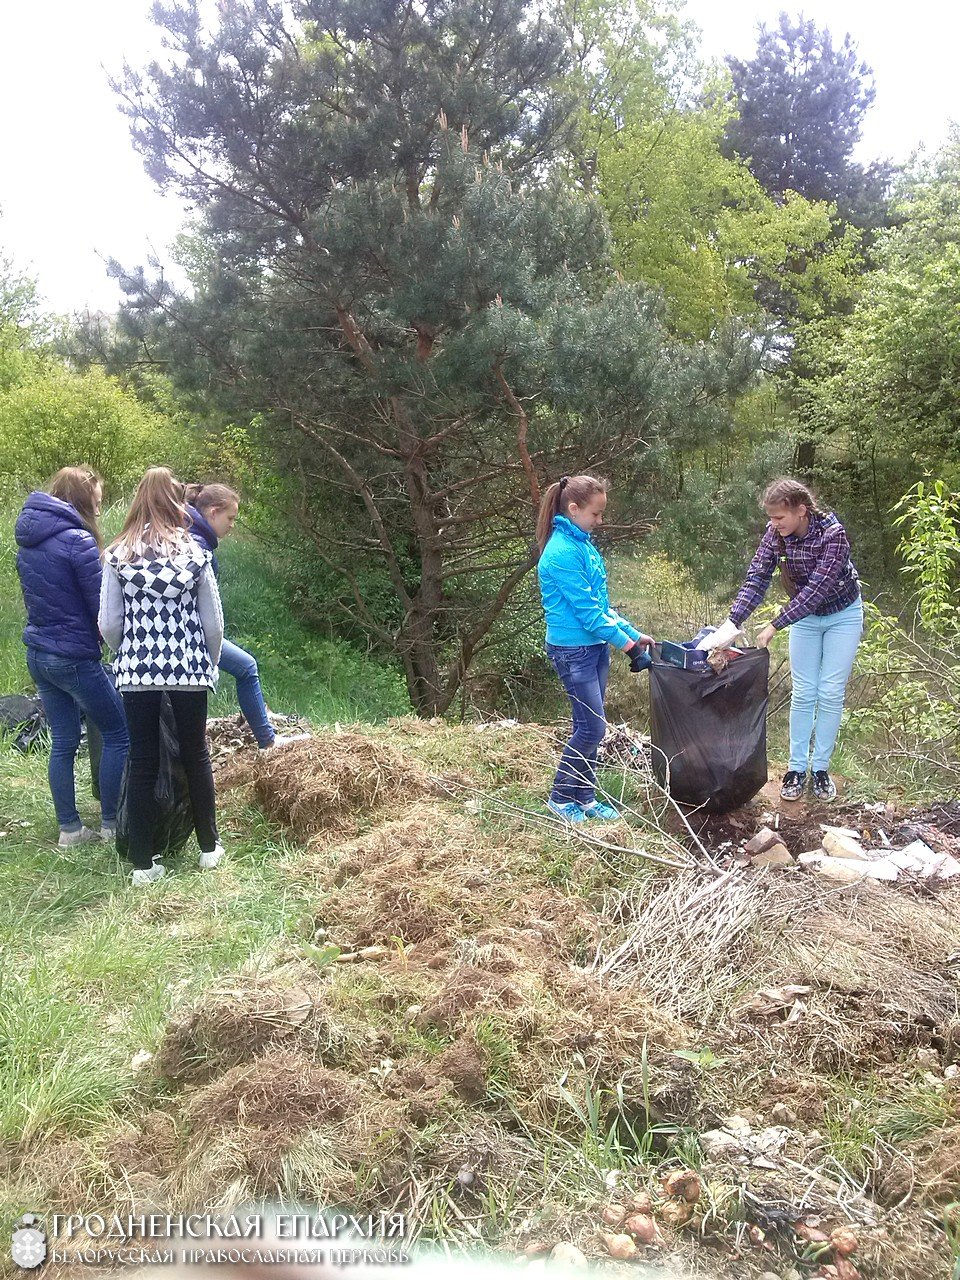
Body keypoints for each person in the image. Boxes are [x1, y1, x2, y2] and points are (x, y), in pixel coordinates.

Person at [99, 467, 225, 886]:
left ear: (138, 499)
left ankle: (142, 863)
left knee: (142, 761)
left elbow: (109, 622)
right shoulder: (195, 551)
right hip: (188, 666)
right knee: (196, 753)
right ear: (176, 502)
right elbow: (213, 622)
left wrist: (130, 652)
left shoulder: (117, 555)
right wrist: (207, 659)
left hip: (138, 669)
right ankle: (209, 848)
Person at [721, 477, 863, 802]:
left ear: (801, 510)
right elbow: (757, 576)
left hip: (842, 614)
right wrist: (733, 621)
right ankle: (796, 769)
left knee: (829, 691)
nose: (774, 524)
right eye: (770, 518)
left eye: (779, 517)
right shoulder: (776, 535)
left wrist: (774, 624)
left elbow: (816, 591)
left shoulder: (832, 534)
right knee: (803, 692)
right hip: (806, 619)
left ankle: (821, 770)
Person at [14, 467, 130, 847]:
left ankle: (70, 829)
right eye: (97, 498)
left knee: (63, 741)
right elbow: (100, 606)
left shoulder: (30, 540)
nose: (100, 505)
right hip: (73, 658)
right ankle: (113, 824)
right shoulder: (77, 540)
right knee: (118, 732)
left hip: (39, 654)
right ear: (83, 500)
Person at [536, 475, 653, 823]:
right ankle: (560, 798)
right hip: (572, 651)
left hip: (594, 647)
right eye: (596, 514)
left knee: (589, 724)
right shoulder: (561, 553)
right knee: (592, 729)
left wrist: (633, 634)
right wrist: (630, 648)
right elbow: (588, 616)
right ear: (573, 509)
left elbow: (600, 606)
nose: (600, 521)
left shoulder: (583, 544)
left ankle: (584, 798)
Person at [184, 482, 307, 750]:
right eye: (230, 518)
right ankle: (268, 741)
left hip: (185, 635)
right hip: (193, 636)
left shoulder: (192, 536)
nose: (232, 525)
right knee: (247, 667)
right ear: (213, 512)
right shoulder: (198, 546)